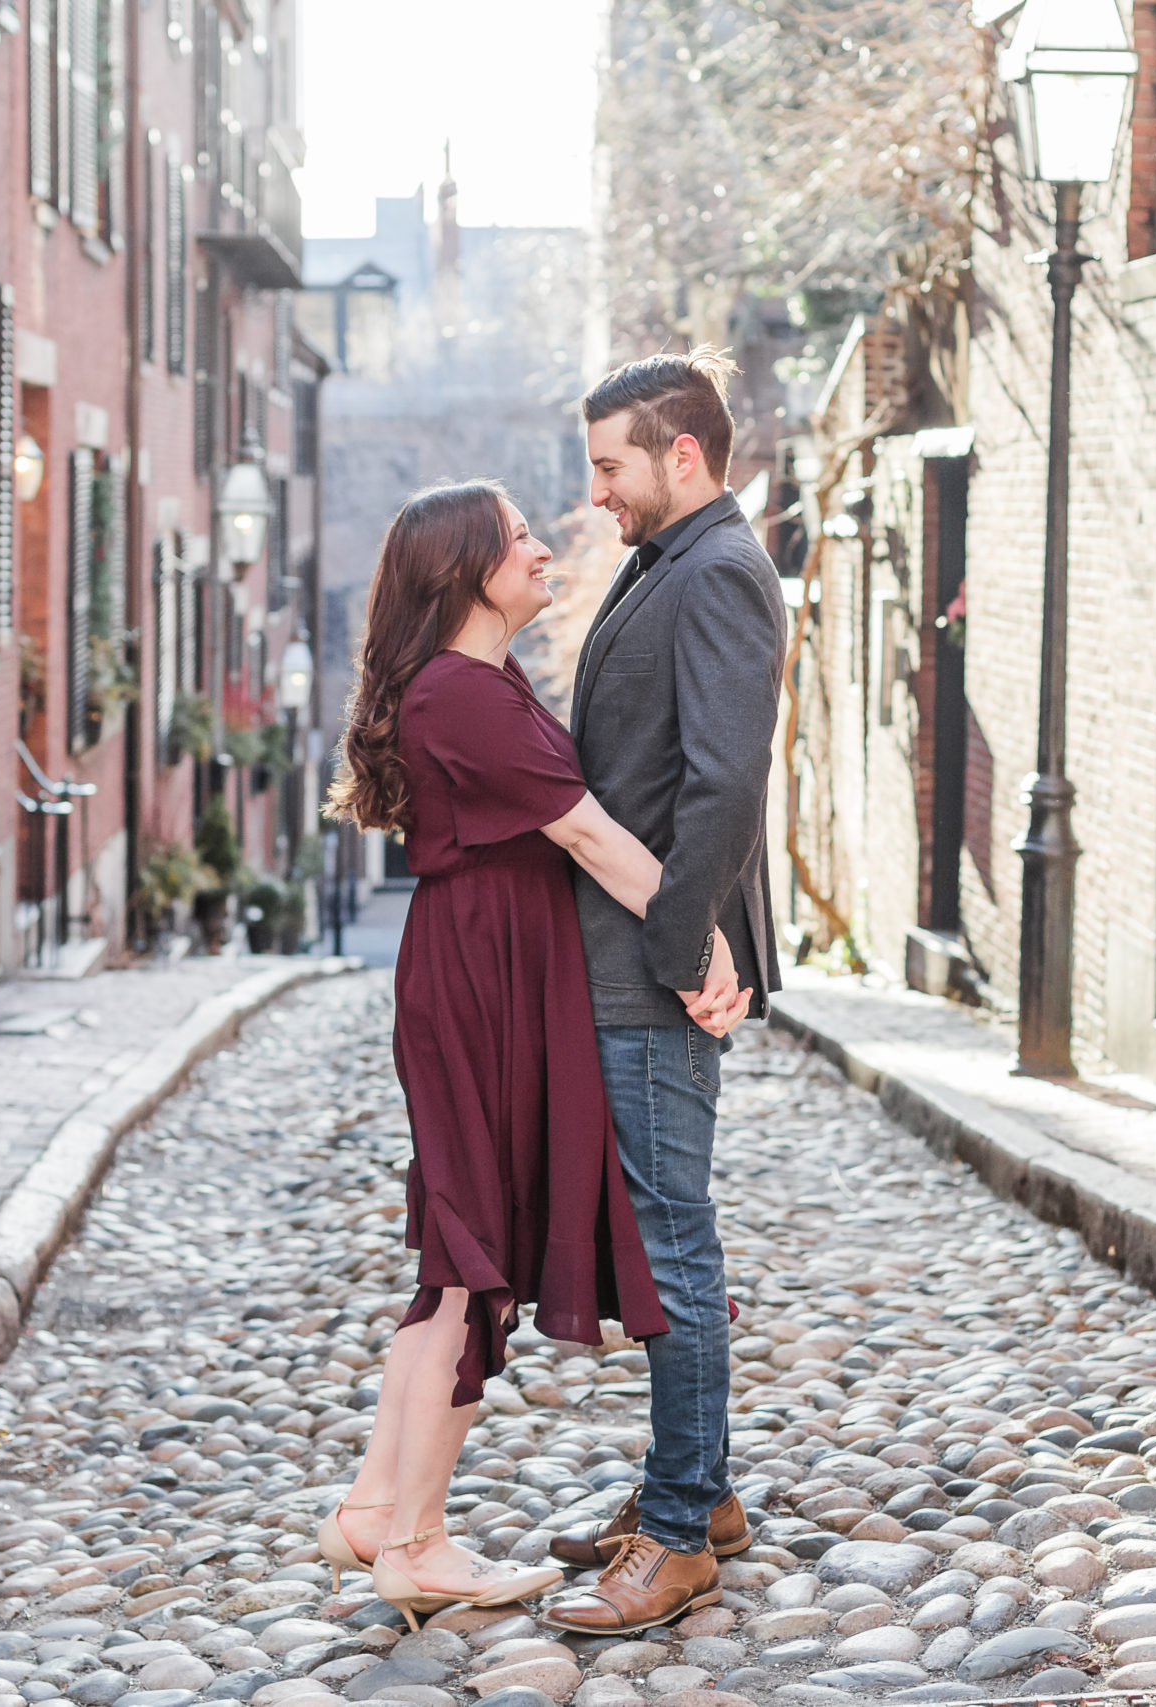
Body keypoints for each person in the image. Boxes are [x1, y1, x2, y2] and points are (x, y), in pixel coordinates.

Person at [318, 480, 748, 1630]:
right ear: (465, 571)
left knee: (456, 1255)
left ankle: (375, 1509)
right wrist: (702, 950)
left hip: (479, 965)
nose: (545, 551)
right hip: (485, 977)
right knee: (475, 1248)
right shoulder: (466, 693)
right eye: (519, 542)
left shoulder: (466, 684)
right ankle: (416, 1542)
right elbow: (591, 834)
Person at [537, 349, 786, 1636]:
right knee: (656, 1240)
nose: (596, 494)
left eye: (610, 465)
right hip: (628, 962)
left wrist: (686, 952)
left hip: (655, 974)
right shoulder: (670, 562)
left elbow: (724, 786)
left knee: (672, 1246)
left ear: (680, 454)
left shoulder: (722, 573)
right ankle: (698, 1494)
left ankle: (682, 1531)